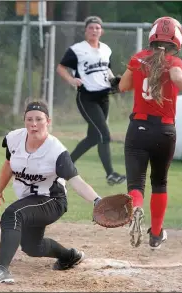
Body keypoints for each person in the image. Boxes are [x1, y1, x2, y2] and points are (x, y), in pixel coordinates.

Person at [0, 101, 103, 284]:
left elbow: (77, 181)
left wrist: (97, 200)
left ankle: (1, 269)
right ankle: (69, 256)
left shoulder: (56, 151)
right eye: (29, 119)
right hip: (30, 200)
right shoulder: (14, 139)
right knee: (32, 247)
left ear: (48, 121)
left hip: (52, 200)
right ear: (24, 120)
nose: (33, 124)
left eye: (38, 119)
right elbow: (9, 165)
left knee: (13, 214)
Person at [118, 16, 182, 249]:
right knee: (160, 183)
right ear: (178, 39)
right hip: (164, 130)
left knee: (136, 183)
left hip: (138, 129)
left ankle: (136, 209)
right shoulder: (174, 61)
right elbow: (176, 76)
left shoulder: (138, 58)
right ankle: (156, 235)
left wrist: (140, 71)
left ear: (152, 37)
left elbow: (123, 86)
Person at [56, 16, 126, 186]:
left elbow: (106, 68)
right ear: (85, 31)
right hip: (87, 97)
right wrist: (72, 80)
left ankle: (64, 167)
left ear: (101, 31)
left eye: (97, 28)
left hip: (104, 97)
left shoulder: (106, 49)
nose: (94, 30)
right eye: (91, 28)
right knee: (104, 135)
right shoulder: (77, 49)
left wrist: (113, 80)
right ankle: (110, 174)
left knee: (93, 137)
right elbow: (60, 67)